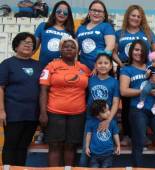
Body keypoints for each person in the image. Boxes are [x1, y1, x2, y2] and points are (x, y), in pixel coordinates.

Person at [120, 40, 155, 167]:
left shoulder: (153, 66)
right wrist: (145, 92)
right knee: (138, 145)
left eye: (141, 50)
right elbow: (124, 91)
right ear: (131, 51)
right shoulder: (126, 69)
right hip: (138, 110)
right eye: (136, 49)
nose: (139, 52)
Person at [39, 37, 90, 166]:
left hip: (78, 114)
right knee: (55, 146)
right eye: (66, 46)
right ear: (60, 50)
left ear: (77, 52)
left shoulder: (84, 68)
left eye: (73, 47)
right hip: (54, 112)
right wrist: (43, 112)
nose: (69, 49)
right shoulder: (51, 66)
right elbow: (43, 90)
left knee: (70, 146)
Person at [113, 4, 155, 146]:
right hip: (126, 69)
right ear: (128, 16)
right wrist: (121, 65)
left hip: (144, 71)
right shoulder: (119, 33)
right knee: (127, 104)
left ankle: (142, 134)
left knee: (144, 101)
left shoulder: (148, 33)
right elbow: (113, 52)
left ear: (142, 19)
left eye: (139, 16)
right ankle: (127, 134)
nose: (135, 18)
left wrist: (150, 68)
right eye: (133, 15)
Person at [0, 32, 40, 166]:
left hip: (32, 115)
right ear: (16, 46)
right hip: (13, 113)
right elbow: (0, 88)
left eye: (31, 43)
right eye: (25, 42)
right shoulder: (7, 64)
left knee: (23, 147)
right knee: (11, 146)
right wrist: (1, 111)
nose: (28, 45)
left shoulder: (38, 65)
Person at [79, 52, 120, 167]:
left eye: (106, 63)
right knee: (85, 152)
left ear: (111, 66)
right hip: (91, 120)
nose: (103, 65)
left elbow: (116, 102)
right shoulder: (90, 80)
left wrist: (108, 120)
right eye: (100, 63)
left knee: (106, 150)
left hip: (108, 120)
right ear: (95, 65)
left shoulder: (114, 82)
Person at [76, 0, 115, 70]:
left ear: (104, 14)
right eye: (94, 10)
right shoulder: (80, 28)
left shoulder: (106, 26)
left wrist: (99, 65)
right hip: (82, 69)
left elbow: (110, 46)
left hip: (101, 69)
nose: (96, 13)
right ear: (89, 12)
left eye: (99, 11)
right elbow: (76, 49)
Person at [35, 0, 75, 68]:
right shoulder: (43, 26)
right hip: (43, 68)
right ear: (54, 12)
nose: (61, 13)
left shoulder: (70, 32)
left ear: (68, 15)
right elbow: (34, 47)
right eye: (59, 11)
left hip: (61, 69)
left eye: (65, 13)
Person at [85, 100, 120, 168]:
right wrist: (87, 147)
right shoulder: (91, 122)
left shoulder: (112, 122)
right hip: (94, 154)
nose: (108, 112)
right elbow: (88, 135)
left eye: (108, 110)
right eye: (105, 112)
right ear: (97, 115)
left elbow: (115, 134)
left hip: (108, 153)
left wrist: (118, 145)